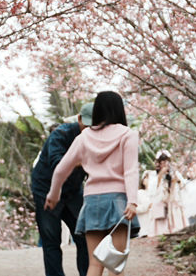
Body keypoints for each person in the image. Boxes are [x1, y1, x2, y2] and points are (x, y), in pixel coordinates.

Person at [45, 92, 140, 276]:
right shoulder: (128, 135)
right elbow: (130, 170)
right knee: (115, 264)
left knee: (94, 265)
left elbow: (60, 170)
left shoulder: (84, 137)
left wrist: (53, 195)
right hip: (118, 202)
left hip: (91, 203)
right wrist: (133, 201)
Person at [30, 103, 93, 276]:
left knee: (84, 236)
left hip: (73, 191)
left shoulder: (95, 138)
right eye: (86, 125)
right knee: (51, 240)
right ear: (79, 118)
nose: (89, 129)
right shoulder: (61, 134)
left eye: (94, 126)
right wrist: (86, 161)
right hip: (46, 189)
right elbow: (58, 163)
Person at [146, 150, 187, 235]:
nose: (165, 164)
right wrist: (160, 176)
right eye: (163, 162)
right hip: (161, 207)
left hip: (174, 205)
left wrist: (176, 181)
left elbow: (183, 186)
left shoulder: (175, 173)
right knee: (161, 232)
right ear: (159, 163)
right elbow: (152, 191)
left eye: (167, 161)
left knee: (178, 228)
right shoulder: (153, 175)